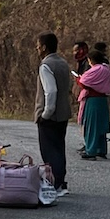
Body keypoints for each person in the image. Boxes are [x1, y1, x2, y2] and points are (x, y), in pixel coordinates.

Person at [35, 33, 72, 196]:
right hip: (63, 113)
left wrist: (45, 114)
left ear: (44, 47)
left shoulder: (45, 65)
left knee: (49, 151)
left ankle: (55, 183)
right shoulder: (63, 63)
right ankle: (61, 182)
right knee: (59, 147)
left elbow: (50, 91)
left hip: (50, 115)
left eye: (38, 45)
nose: (37, 48)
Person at [77, 49, 110, 160]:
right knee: (101, 126)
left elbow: (84, 82)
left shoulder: (95, 70)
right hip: (102, 99)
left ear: (90, 60)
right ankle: (101, 149)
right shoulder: (108, 69)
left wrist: (78, 79)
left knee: (91, 126)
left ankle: (91, 150)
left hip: (93, 99)